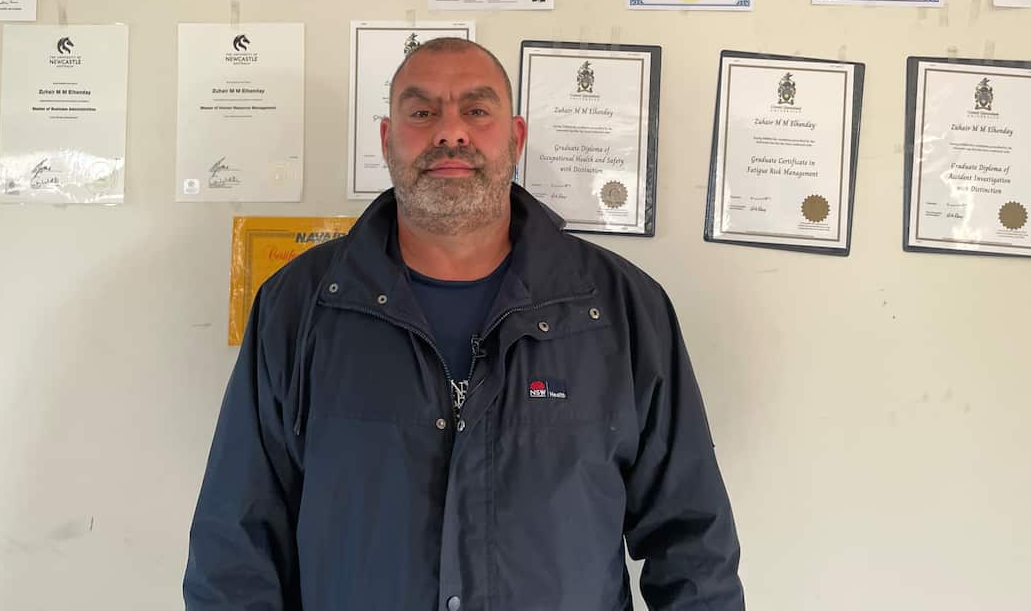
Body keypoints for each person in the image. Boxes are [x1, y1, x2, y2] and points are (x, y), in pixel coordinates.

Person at [183, 38, 744, 611]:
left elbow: (694, 547)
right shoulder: (298, 309)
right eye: (422, 112)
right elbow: (236, 548)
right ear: (387, 139)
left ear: (517, 138)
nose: (450, 132)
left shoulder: (623, 310)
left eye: (476, 110)